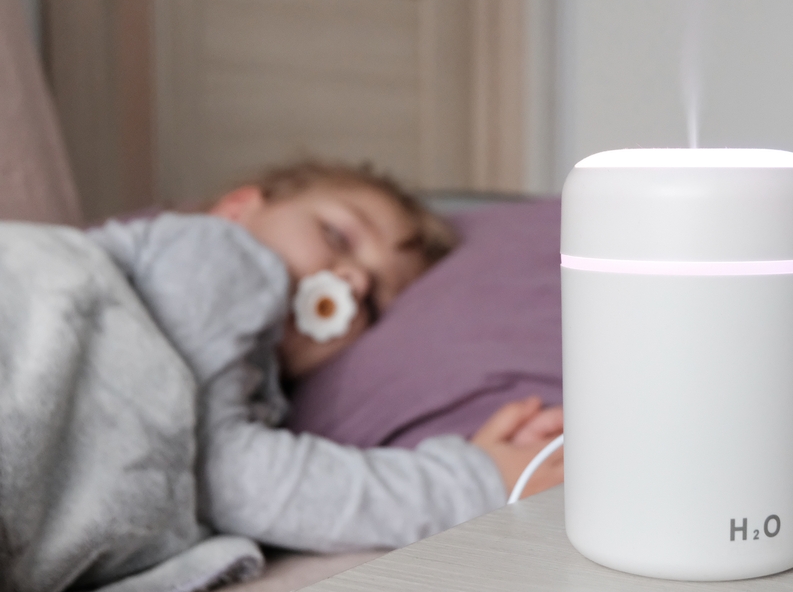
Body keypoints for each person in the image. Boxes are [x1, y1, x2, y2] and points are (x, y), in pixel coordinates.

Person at [85, 160, 564, 553]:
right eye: (338, 237)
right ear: (238, 210)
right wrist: (474, 481)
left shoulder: (256, 403)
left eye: (374, 301)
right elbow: (233, 478)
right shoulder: (202, 251)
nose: (353, 281)